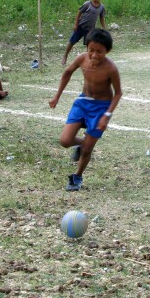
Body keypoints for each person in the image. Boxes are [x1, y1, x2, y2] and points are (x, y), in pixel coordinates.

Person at [50, 29, 122, 191]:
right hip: (82, 103)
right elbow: (67, 72)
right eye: (91, 50)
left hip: (101, 108)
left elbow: (118, 93)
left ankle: (77, 176)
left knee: (88, 149)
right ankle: (82, 144)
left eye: (100, 52)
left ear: (107, 51)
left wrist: (107, 115)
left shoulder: (111, 69)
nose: (94, 55)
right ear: (86, 48)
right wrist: (57, 96)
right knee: (65, 141)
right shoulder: (82, 59)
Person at [62, 0, 107, 66]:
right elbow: (79, 13)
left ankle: (88, 61)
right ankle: (65, 56)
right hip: (80, 27)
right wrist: (76, 24)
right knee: (72, 42)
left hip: (90, 30)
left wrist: (104, 28)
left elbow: (102, 18)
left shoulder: (102, 7)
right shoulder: (87, 4)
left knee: (89, 46)